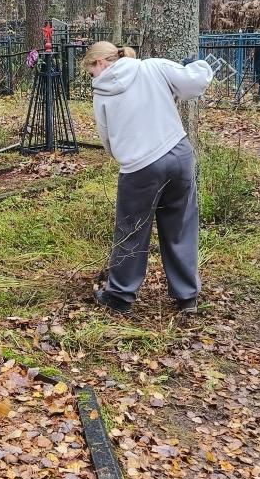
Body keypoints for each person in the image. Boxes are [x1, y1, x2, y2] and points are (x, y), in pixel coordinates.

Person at [84, 41, 214, 314]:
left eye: (91, 70)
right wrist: (195, 65)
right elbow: (195, 83)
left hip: (139, 167)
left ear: (101, 63)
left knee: (131, 230)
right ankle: (187, 296)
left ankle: (120, 296)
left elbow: (106, 138)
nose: (92, 76)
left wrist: (125, 154)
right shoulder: (154, 67)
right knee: (181, 226)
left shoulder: (102, 93)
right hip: (177, 153)